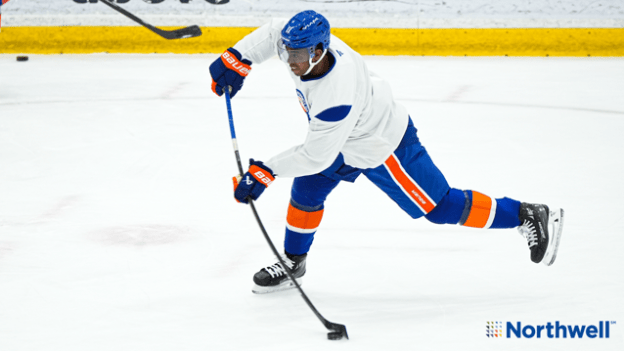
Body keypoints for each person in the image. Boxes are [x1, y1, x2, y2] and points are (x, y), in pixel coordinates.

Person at [209, 10, 564, 294]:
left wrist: (264, 171)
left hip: (382, 144)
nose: (289, 61)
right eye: (288, 52)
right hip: (342, 140)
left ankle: (526, 214)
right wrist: (237, 58)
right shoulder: (306, 49)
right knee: (307, 190)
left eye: (297, 55)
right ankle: (293, 262)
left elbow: (315, 155)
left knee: (439, 208)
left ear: (318, 51)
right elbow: (274, 31)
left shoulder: (336, 94)